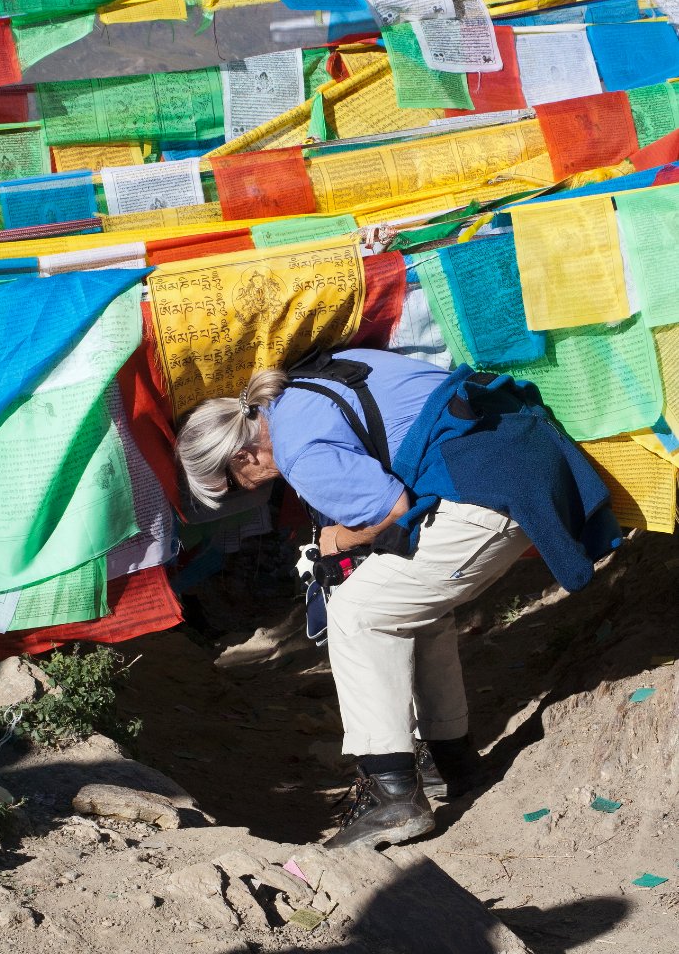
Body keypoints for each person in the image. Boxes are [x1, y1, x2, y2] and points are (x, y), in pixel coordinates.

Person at [176, 348, 620, 849]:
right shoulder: (306, 385)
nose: (249, 492)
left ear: (243, 456)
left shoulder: (298, 451)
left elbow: (389, 509)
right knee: (404, 604)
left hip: (489, 488)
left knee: (357, 613)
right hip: (521, 456)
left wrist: (336, 542)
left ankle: (391, 797)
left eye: (235, 486)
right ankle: (449, 763)